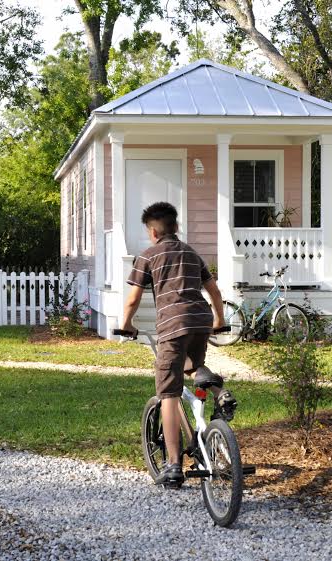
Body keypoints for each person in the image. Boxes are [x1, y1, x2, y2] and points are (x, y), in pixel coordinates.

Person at [119, 201, 227, 487]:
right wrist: (219, 320)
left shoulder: (148, 256)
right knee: (193, 368)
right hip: (201, 320)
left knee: (168, 392)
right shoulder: (192, 254)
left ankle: (173, 465)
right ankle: (220, 392)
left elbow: (132, 298)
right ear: (176, 227)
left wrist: (126, 325)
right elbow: (214, 291)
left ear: (152, 233)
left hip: (172, 325)